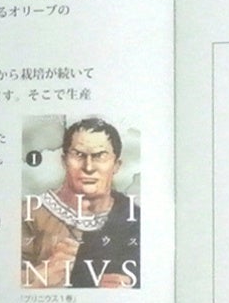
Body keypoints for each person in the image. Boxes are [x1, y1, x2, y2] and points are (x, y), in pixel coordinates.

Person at [19, 117, 141, 289]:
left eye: (100, 156)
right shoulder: (29, 215)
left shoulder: (134, 218)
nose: (88, 167)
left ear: (116, 165)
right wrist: (44, 276)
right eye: (78, 155)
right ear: (64, 161)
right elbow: (2, 284)